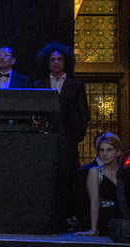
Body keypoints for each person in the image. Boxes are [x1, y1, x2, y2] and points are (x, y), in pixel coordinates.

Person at [34, 42, 90, 228]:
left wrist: (75, 137)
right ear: (47, 62)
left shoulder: (76, 85)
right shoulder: (39, 84)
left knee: (68, 178)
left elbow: (84, 114)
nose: (56, 62)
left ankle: (68, 216)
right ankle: (48, 216)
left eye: (59, 59)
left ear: (66, 62)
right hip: (46, 141)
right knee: (47, 178)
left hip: (68, 141)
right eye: (52, 59)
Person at [77, 133, 130, 236]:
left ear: (118, 152)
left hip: (128, 218)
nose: (104, 154)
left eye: (109, 150)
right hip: (107, 221)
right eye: (101, 150)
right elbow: (94, 202)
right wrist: (93, 230)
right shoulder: (95, 172)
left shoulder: (126, 171)